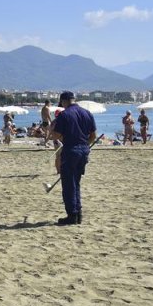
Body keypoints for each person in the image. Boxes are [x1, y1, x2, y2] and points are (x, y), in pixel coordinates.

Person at [49, 91, 97, 225]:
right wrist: (84, 145)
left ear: (64, 101)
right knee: (76, 182)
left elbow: (57, 135)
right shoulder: (87, 113)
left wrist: (54, 131)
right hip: (83, 150)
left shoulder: (64, 115)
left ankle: (72, 215)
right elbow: (93, 135)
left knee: (69, 184)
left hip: (71, 150)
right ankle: (78, 213)